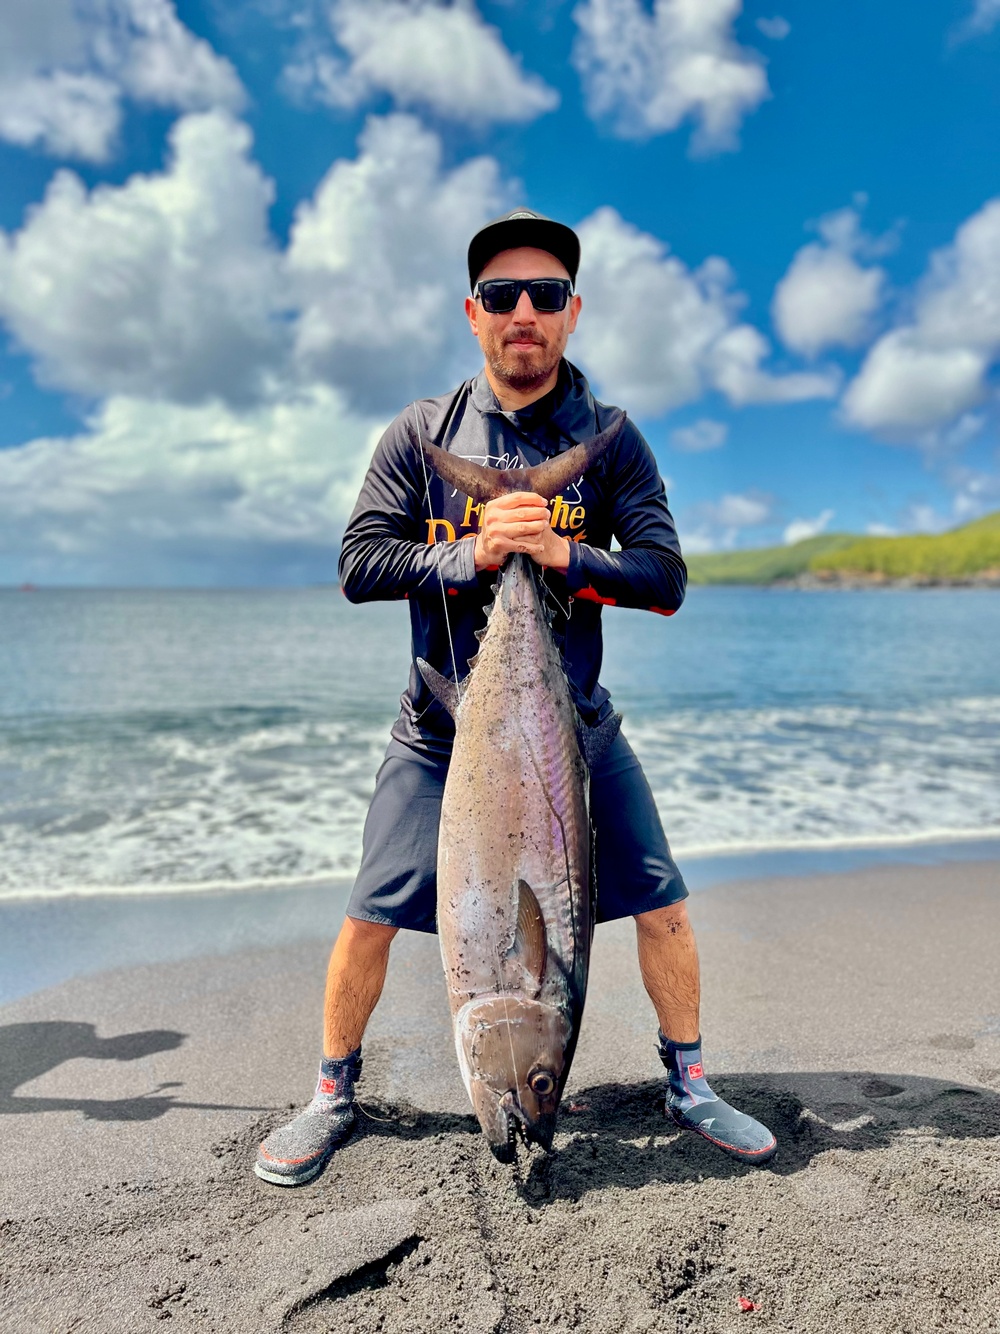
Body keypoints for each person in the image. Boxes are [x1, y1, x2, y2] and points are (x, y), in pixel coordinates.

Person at [254, 209, 777, 1186]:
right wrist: (473, 552)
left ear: (571, 314)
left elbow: (664, 575)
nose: (523, 311)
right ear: (473, 313)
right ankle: (331, 1092)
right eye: (502, 296)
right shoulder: (421, 437)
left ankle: (689, 1079)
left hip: (570, 729)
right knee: (371, 910)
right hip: (438, 729)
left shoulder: (610, 443)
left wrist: (564, 555)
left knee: (659, 901)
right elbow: (359, 562)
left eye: (544, 295)